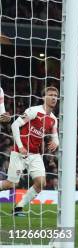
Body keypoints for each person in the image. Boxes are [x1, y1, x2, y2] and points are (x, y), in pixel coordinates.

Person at [0, 86, 59, 217]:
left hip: (35, 154)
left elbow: (55, 137)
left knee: (41, 183)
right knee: (11, 183)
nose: (54, 97)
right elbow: (15, 125)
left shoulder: (53, 119)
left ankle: (19, 207)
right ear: (44, 97)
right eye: (50, 94)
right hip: (19, 152)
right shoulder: (34, 111)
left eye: (55, 95)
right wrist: (20, 146)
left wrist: (56, 142)